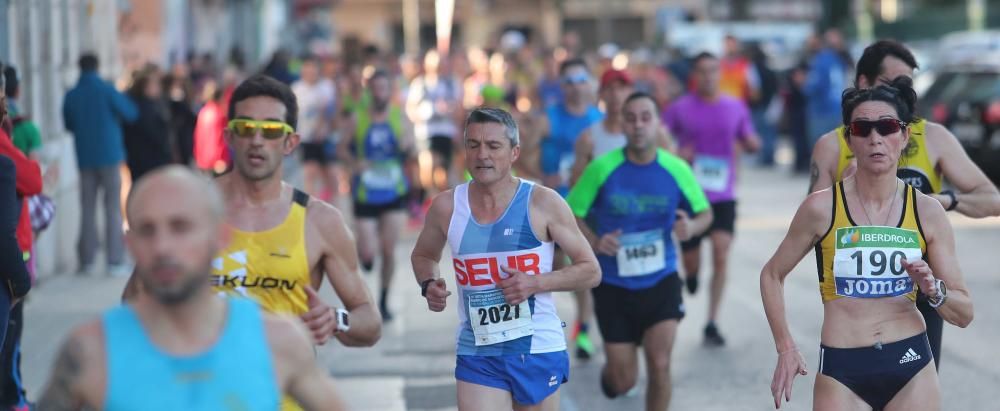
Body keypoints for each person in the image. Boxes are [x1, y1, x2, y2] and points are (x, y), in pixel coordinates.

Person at [124, 74, 381, 411]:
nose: (257, 140)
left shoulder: (319, 221)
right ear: (230, 136)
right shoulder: (191, 211)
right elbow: (132, 302)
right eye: (246, 128)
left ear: (290, 142)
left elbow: (370, 322)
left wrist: (336, 319)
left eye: (272, 130)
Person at [40, 166, 345, 411]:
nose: (163, 247)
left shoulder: (277, 341)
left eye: (180, 227)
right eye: (147, 230)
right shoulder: (90, 351)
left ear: (220, 237)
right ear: (130, 245)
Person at [761, 77, 973, 410]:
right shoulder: (821, 208)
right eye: (862, 129)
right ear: (850, 139)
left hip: (911, 364)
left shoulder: (927, 212)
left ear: (903, 136)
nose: (876, 139)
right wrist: (785, 347)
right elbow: (772, 274)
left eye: (887, 127)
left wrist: (934, 290)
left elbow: (964, 313)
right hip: (842, 368)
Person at [809, 40, 1000, 369]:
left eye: (907, 84)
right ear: (864, 84)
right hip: (858, 298)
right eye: (893, 83)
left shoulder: (933, 137)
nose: (901, 91)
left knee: (916, 388)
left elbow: (992, 200)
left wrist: (942, 201)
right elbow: (811, 228)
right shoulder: (835, 144)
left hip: (921, 286)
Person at [410, 107, 600, 411]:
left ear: (514, 153)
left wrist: (535, 283)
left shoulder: (543, 202)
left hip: (537, 347)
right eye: (473, 145)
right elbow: (423, 254)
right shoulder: (447, 206)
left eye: (493, 146)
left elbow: (591, 270)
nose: (482, 154)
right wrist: (428, 282)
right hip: (477, 350)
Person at [567, 92, 712, 410]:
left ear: (658, 123)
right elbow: (570, 214)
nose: (638, 125)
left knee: (660, 364)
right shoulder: (602, 168)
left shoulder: (676, 168)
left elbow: (705, 214)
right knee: (624, 382)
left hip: (661, 280)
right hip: (614, 285)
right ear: (621, 125)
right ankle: (613, 376)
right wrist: (594, 240)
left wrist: (692, 228)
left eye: (646, 117)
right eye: (630, 118)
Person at [662, 52, 760, 346]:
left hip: (723, 194)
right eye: (702, 71)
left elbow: (750, 139)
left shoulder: (735, 106)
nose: (708, 76)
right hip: (690, 195)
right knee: (691, 262)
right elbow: (661, 145)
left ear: (720, 74)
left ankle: (712, 321)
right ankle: (690, 275)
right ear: (695, 76)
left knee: (721, 252)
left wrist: (752, 144)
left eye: (713, 71)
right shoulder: (679, 108)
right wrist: (679, 154)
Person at [339, 70, 412, 322]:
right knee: (368, 251)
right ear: (369, 91)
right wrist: (354, 163)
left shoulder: (399, 116)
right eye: (376, 88)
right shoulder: (357, 119)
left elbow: (410, 145)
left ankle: (383, 299)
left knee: (389, 250)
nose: (380, 93)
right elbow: (341, 148)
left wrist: (407, 144)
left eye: (384, 88)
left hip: (393, 190)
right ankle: (366, 258)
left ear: (390, 91)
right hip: (365, 191)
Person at [62, 53, 138, 277]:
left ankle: (87, 260)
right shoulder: (107, 89)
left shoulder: (72, 94)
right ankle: (113, 261)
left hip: (85, 157)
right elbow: (131, 113)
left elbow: (68, 124)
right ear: (97, 66)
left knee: (87, 208)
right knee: (112, 208)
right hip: (110, 155)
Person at [406, 49, 464, 193]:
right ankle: (430, 196)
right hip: (427, 131)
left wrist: (449, 110)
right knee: (428, 165)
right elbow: (411, 108)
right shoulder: (420, 84)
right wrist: (424, 113)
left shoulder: (452, 83)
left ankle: (441, 199)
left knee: (444, 172)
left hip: (446, 132)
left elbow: (459, 109)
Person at [291, 55, 338, 200]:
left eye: (313, 68)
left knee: (330, 173)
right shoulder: (296, 89)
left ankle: (332, 206)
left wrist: (325, 127)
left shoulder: (327, 87)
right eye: (307, 68)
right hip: (306, 138)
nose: (311, 72)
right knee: (310, 173)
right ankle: (312, 206)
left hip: (326, 138)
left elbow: (333, 111)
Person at [123, 67, 173, 182]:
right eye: (155, 85)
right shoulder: (144, 108)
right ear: (146, 87)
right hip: (148, 160)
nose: (158, 88)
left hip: (142, 159)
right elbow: (155, 133)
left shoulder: (142, 104)